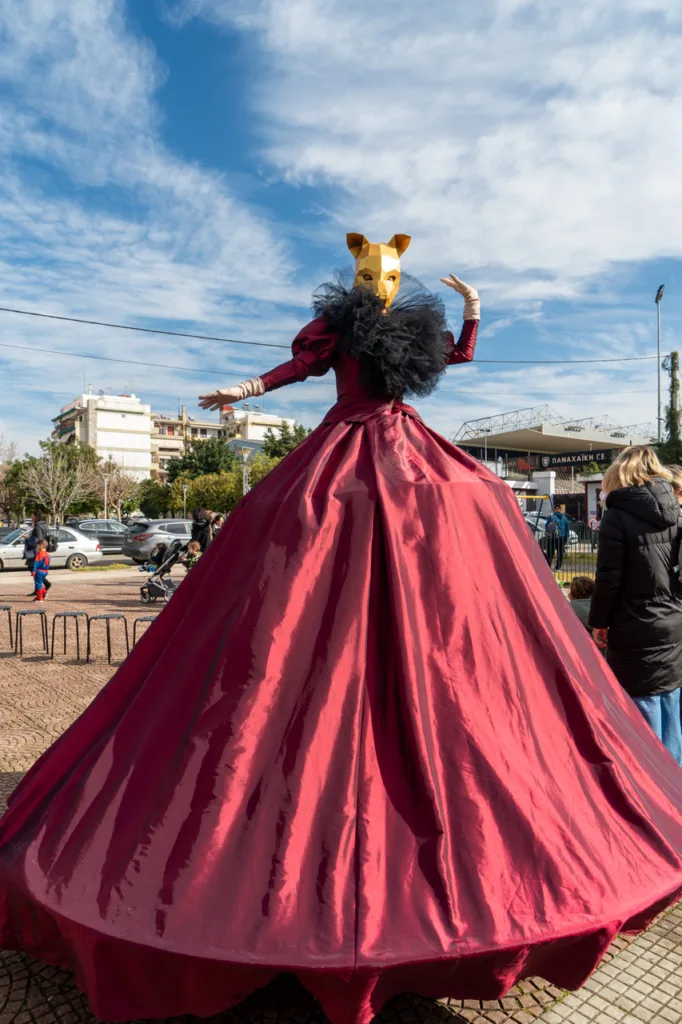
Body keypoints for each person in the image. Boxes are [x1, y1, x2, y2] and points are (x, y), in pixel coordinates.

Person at [1, 234, 682, 1024]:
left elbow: (453, 360)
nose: (379, 280)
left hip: (402, 448)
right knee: (302, 518)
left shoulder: (410, 340)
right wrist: (244, 390)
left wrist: (473, 314)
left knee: (473, 502)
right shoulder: (339, 330)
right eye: (371, 270)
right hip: (342, 451)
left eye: (387, 271)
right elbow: (299, 369)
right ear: (359, 271)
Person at [590, 446, 682, 765]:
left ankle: (654, 794)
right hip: (673, 621)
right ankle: (675, 788)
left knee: (643, 712)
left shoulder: (616, 516)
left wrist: (598, 622)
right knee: (671, 707)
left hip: (634, 625)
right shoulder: (677, 510)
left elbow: (608, 578)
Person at [22, 509, 49, 597]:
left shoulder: (38, 526)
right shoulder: (44, 525)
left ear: (35, 516)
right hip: (42, 550)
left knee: (33, 569)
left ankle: (43, 587)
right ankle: (38, 589)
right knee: (36, 570)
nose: (31, 517)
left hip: (37, 551)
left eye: (32, 516)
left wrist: (28, 539)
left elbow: (38, 539)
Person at [544, 502, 570, 571]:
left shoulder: (551, 517)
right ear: (560, 509)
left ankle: (548, 566)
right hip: (561, 537)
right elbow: (567, 528)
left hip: (552, 537)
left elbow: (546, 525)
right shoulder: (564, 518)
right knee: (560, 553)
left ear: (554, 509)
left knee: (550, 553)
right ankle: (558, 568)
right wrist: (566, 538)